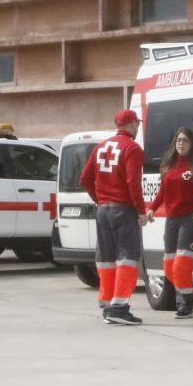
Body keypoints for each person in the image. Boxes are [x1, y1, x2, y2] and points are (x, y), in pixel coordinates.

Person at [79, 109, 150, 325]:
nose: (138, 127)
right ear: (131, 124)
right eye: (137, 124)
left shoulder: (100, 148)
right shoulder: (132, 149)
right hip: (123, 210)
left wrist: (100, 200)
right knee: (128, 258)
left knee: (106, 259)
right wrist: (141, 211)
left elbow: (84, 179)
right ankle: (119, 307)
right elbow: (132, 182)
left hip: (103, 211)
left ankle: (107, 305)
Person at [148, 127, 193, 318]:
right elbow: (162, 192)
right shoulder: (169, 166)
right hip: (172, 220)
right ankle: (190, 298)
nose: (181, 143)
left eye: (185, 140)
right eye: (178, 140)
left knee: (181, 264)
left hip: (191, 219)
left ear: (192, 144)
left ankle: (185, 304)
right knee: (169, 266)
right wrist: (152, 208)